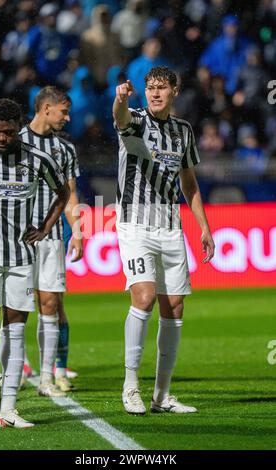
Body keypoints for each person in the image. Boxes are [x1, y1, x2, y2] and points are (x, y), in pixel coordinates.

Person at [113, 66, 215, 414]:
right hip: (135, 225)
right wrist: (120, 99)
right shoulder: (136, 120)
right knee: (143, 297)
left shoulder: (183, 130)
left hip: (171, 226)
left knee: (175, 307)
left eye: (161, 88)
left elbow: (189, 181)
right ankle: (130, 387)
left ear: (174, 90)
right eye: (150, 88)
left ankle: (162, 395)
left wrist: (203, 226)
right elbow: (120, 117)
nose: (155, 93)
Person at [0, 98, 69, 429]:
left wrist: (44, 228)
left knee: (15, 334)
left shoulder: (37, 159)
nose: (1, 138)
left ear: (19, 128)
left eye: (8, 132)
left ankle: (9, 411)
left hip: (20, 259)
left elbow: (63, 194)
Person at [20, 86, 83, 395]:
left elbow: (70, 195)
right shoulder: (15, 141)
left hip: (52, 236)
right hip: (17, 238)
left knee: (52, 303)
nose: (68, 118)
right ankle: (16, 368)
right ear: (46, 108)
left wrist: (78, 231)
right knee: (14, 305)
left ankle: (51, 374)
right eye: (63, 111)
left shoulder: (65, 150)